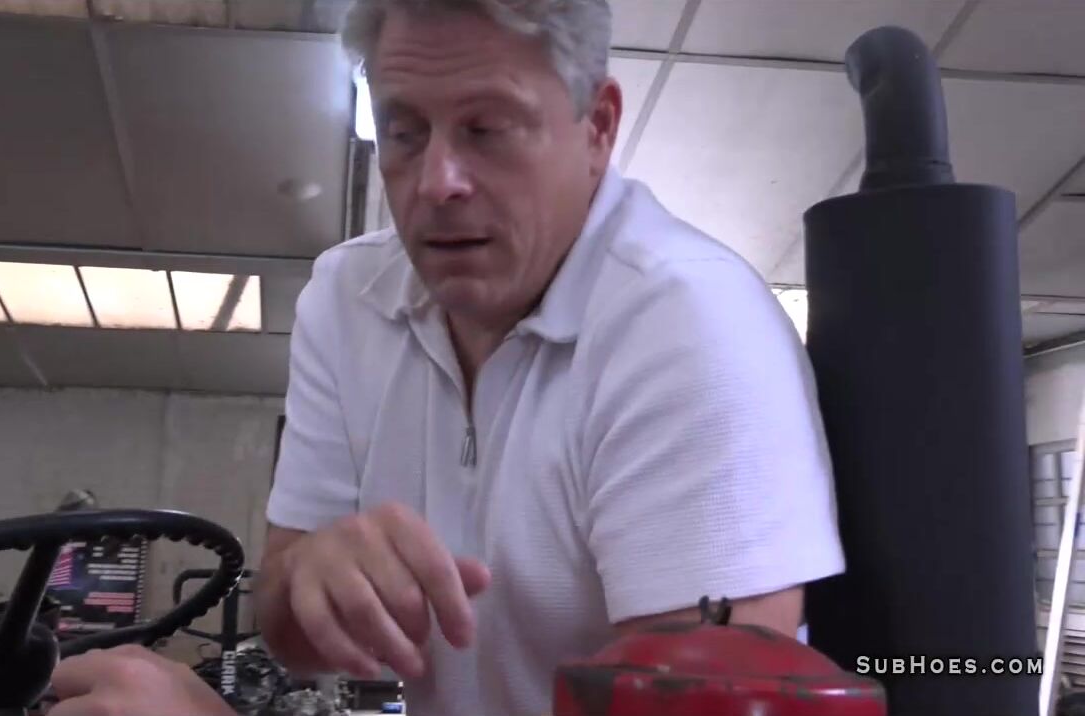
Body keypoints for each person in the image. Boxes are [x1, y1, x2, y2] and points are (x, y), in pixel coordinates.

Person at [47, 0, 845, 714]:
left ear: (598, 128)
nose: (437, 183)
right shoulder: (346, 301)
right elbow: (289, 633)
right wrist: (316, 578)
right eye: (404, 132)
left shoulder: (691, 328)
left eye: (487, 129)